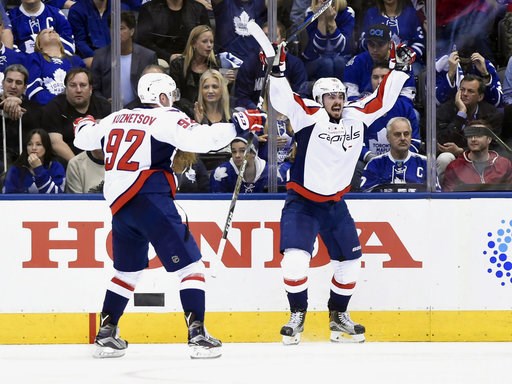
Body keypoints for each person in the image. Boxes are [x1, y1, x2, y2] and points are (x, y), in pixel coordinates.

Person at [73, 72, 265, 359]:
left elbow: (83, 137)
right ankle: (197, 335)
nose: (173, 100)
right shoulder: (166, 117)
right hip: (151, 199)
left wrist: (83, 122)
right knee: (191, 267)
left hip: (121, 207)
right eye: (170, 95)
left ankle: (107, 332)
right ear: (162, 97)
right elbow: (202, 139)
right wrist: (238, 124)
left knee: (126, 271)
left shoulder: (116, 117)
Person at [267, 42, 413, 345]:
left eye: (340, 95)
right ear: (320, 99)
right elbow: (284, 99)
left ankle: (338, 317)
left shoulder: (356, 116)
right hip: (303, 202)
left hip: (335, 204)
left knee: (351, 263)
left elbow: (382, 100)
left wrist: (398, 69)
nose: (337, 100)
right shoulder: (307, 115)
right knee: (294, 260)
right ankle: (297, 316)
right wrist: (277, 71)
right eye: (331, 96)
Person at [437, 74, 504, 182]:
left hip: (481, 157)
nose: (464, 94)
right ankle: (443, 194)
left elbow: (494, 146)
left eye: (470, 91)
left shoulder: (492, 114)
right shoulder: (445, 109)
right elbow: (442, 141)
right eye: (462, 90)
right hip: (453, 158)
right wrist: (461, 114)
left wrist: (462, 151)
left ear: (480, 97)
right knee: (444, 158)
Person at [42, 68, 111, 165]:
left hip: (100, 163)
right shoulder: (54, 107)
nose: (78, 90)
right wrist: (78, 165)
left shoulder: (104, 107)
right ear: (66, 89)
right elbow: (55, 143)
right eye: (73, 85)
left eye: (83, 85)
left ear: (90, 89)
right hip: (68, 163)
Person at [234, 21, 307, 110]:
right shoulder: (249, 63)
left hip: (288, 116)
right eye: (264, 36)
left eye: (273, 37)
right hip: (257, 116)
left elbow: (301, 96)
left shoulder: (295, 64)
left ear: (282, 41)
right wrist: (260, 113)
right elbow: (241, 98)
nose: (267, 41)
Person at [91, 11, 158, 107]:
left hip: (141, 111)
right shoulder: (100, 56)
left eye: (121, 28)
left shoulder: (147, 56)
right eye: (112, 28)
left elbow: (155, 88)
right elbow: (94, 89)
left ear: (132, 31)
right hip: (109, 112)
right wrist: (105, 102)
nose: (116, 32)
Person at [360, 117, 438, 192]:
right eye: (397, 134)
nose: (403, 138)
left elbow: (436, 197)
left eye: (406, 134)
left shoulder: (426, 163)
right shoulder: (375, 164)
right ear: (388, 138)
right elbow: (366, 197)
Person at [344, 23, 416, 102]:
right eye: (371, 44)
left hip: (394, 109)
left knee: (415, 114)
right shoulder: (356, 62)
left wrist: (387, 109)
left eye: (380, 44)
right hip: (364, 110)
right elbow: (350, 96)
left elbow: (407, 96)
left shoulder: (402, 63)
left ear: (389, 43)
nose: (375, 49)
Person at [169, 25, 225, 118]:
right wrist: (193, 111)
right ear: (193, 43)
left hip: (209, 111)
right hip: (183, 112)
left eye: (211, 42)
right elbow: (175, 96)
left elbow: (219, 94)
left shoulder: (214, 65)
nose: (209, 45)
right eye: (205, 41)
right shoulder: (178, 64)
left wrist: (227, 83)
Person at [442, 120, 512, 192]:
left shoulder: (505, 165)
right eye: (470, 135)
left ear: (489, 139)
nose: (473, 139)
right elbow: (449, 198)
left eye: (478, 135)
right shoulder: (454, 167)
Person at [135, 0, 210, 64]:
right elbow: (144, 42)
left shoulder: (198, 9)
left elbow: (208, 37)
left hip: (192, 59)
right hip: (159, 60)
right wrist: (168, 57)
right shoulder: (148, 9)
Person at [25, 29, 85, 106]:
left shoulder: (75, 60)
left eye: (54, 31)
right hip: (48, 108)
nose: (51, 32)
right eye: (45, 33)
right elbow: (34, 89)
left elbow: (86, 86)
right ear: (39, 44)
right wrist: (61, 103)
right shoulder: (35, 58)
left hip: (75, 107)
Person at [360, 0, 425, 70]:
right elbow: (363, 42)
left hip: (407, 63)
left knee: (416, 71)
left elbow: (419, 43)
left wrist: (402, 58)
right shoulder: (371, 14)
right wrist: (379, 54)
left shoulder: (411, 14)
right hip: (376, 63)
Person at [0, 64, 42, 170]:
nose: (13, 86)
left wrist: (19, 102)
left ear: (24, 88)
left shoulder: (35, 109)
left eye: (18, 83)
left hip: (25, 162)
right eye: (9, 81)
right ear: (2, 83)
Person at [302, 0, 355, 81]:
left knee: (339, 62)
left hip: (341, 58)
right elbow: (318, 49)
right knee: (326, 63)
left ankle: (339, 90)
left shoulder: (347, 12)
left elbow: (341, 47)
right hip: (315, 60)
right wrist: (321, 20)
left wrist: (331, 21)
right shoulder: (310, 12)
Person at [435, 45, 502, 108]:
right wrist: (451, 74)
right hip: (450, 114)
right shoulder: (442, 65)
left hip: (479, 114)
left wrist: (485, 74)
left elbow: (497, 102)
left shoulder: (484, 64)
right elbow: (436, 102)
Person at [3, 128, 65, 193]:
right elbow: (10, 198)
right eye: (29, 144)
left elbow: (57, 197)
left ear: (46, 147)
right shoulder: (15, 170)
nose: (33, 148)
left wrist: (39, 169)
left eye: (38, 144)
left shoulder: (55, 167)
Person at [8, 0, 75, 56]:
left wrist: (53, 57)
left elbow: (69, 43)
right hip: (24, 66)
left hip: (56, 62)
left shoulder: (56, 14)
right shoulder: (10, 18)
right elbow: (8, 48)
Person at [67, 0, 111, 67]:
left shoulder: (120, 8)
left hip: (116, 55)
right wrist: (99, 58)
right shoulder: (77, 10)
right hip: (91, 57)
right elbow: (80, 42)